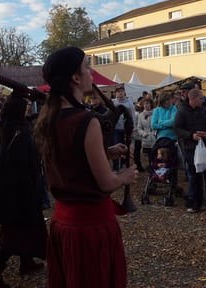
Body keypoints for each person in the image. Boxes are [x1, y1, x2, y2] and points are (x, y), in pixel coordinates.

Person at [32, 46, 138, 288]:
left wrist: (106, 152)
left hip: (63, 223)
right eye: (87, 67)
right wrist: (124, 176)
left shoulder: (49, 117)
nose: (91, 72)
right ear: (75, 77)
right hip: (89, 229)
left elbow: (70, 157)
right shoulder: (86, 120)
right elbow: (106, 183)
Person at [0, 95, 47, 287]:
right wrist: (34, 191)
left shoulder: (6, 128)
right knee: (18, 233)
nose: (27, 111)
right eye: (25, 108)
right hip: (19, 191)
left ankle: (26, 262)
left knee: (24, 229)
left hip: (7, 189)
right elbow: (28, 164)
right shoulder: (20, 132)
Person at [174, 88, 206, 214]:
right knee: (195, 176)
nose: (202, 100)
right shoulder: (182, 111)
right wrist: (191, 135)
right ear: (192, 98)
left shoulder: (204, 109)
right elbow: (177, 129)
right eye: (200, 98)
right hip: (191, 148)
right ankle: (196, 202)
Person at [111, 84, 135, 171]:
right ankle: (115, 168)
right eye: (118, 92)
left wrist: (133, 128)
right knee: (116, 148)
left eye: (121, 91)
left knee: (125, 149)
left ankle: (123, 167)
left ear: (124, 92)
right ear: (115, 93)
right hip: (116, 129)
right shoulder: (113, 102)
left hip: (126, 129)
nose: (120, 93)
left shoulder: (129, 103)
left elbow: (133, 116)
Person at [136, 97, 156, 167]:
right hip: (146, 139)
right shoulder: (141, 115)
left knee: (157, 156)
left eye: (147, 103)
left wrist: (156, 133)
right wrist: (144, 134)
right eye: (144, 104)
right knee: (150, 157)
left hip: (155, 138)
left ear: (151, 104)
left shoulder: (156, 113)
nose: (145, 105)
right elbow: (139, 128)